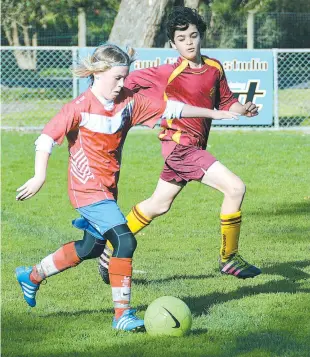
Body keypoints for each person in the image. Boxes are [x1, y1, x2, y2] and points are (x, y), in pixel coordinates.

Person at [15, 43, 238, 332]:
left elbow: (171, 108)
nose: (122, 84)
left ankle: (31, 276)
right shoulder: (79, 107)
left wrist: (213, 113)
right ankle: (122, 315)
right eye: (117, 78)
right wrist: (39, 176)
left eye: (125, 77)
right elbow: (45, 139)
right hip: (86, 191)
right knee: (125, 241)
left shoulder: (128, 102)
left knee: (90, 247)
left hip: (108, 190)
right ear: (97, 74)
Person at [98, 7, 261, 285]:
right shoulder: (167, 73)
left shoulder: (214, 68)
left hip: (191, 148)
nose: (188, 41)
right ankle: (229, 258)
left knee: (158, 205)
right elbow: (125, 82)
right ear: (173, 44)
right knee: (235, 188)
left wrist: (243, 108)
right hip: (180, 148)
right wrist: (103, 95)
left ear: (201, 37)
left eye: (193, 35)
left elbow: (225, 102)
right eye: (181, 37)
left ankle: (108, 249)